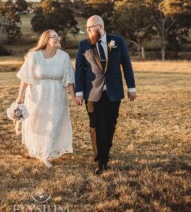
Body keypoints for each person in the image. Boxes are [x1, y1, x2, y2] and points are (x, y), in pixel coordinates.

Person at [75, 15, 136, 175]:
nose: (88, 31)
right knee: (95, 127)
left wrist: (131, 87)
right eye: (86, 28)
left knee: (110, 125)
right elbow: (79, 70)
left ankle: (105, 154)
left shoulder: (117, 41)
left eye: (90, 28)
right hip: (92, 93)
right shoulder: (84, 45)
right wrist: (79, 92)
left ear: (100, 26)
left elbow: (127, 65)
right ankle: (99, 162)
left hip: (114, 92)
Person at [15, 29, 75, 168]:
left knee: (54, 123)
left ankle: (46, 154)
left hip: (58, 96)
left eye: (58, 36)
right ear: (46, 40)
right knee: (37, 123)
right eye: (54, 36)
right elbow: (25, 77)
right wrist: (20, 97)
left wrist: (74, 96)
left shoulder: (64, 56)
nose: (58, 38)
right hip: (37, 96)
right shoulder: (35, 55)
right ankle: (38, 148)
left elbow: (69, 78)